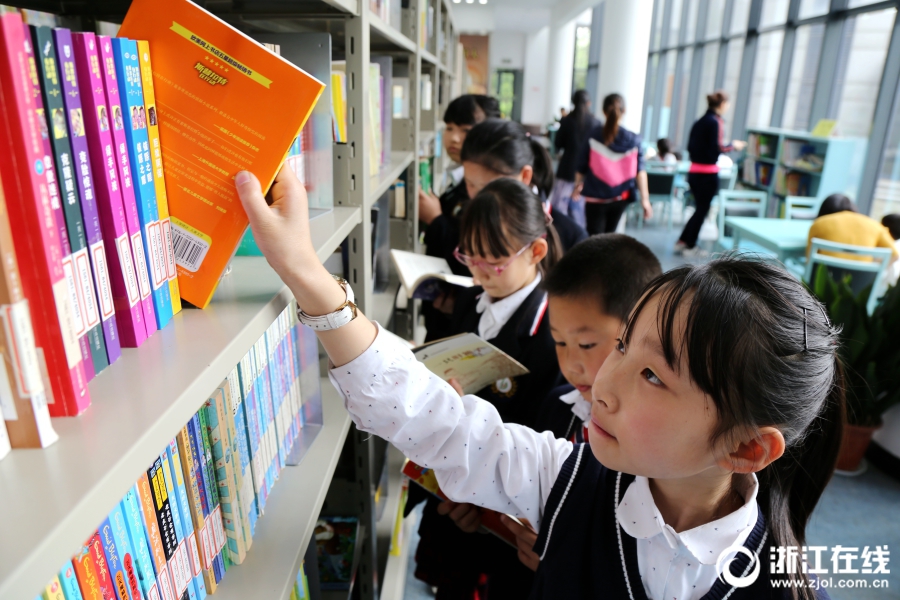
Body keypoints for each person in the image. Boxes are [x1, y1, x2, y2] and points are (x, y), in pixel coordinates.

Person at [235, 164, 839, 599]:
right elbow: (429, 416)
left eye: (653, 374)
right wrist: (307, 276)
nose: (602, 383)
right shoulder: (567, 480)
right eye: (623, 345)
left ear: (745, 447)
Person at [411, 178, 564, 599]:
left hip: (500, 524)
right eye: (469, 256)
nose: (477, 271)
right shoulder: (471, 299)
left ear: (535, 252)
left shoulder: (554, 336)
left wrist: (482, 508)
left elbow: (540, 442)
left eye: (493, 261)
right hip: (450, 496)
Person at [503, 234, 662, 573]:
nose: (570, 363)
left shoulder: (659, 443)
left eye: (587, 344)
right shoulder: (557, 406)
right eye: (559, 341)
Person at [419, 94, 501, 342]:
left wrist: (436, 220)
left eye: (465, 130)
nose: (454, 138)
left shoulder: (488, 192)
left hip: (464, 315)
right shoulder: (457, 179)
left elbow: (472, 249)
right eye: (449, 128)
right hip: (444, 307)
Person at [460, 119, 587, 253]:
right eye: (470, 184)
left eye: (488, 187)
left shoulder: (571, 238)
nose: (477, 196)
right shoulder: (462, 215)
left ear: (525, 176)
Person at [675, 90, 747, 258]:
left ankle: (683, 241)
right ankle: (690, 245)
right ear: (722, 104)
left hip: (694, 172)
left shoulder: (699, 121)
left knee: (699, 210)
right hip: (707, 175)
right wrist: (733, 146)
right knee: (702, 210)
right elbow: (719, 147)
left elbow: (690, 147)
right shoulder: (716, 122)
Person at [574, 93, 652, 235]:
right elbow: (640, 172)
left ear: (604, 111)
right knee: (610, 235)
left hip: (595, 196)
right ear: (624, 111)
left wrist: (577, 185)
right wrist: (645, 200)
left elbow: (581, 166)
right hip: (620, 197)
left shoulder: (593, 136)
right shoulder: (634, 140)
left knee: (594, 238)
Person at [551, 90, 598, 228]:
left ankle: (560, 238)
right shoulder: (595, 123)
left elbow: (558, 144)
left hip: (567, 169)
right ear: (589, 103)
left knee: (559, 208)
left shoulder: (566, 121)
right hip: (586, 173)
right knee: (580, 212)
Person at [806, 194, 898, 260]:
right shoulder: (875, 226)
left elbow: (809, 259)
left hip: (820, 284)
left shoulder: (819, 223)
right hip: (861, 284)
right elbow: (895, 255)